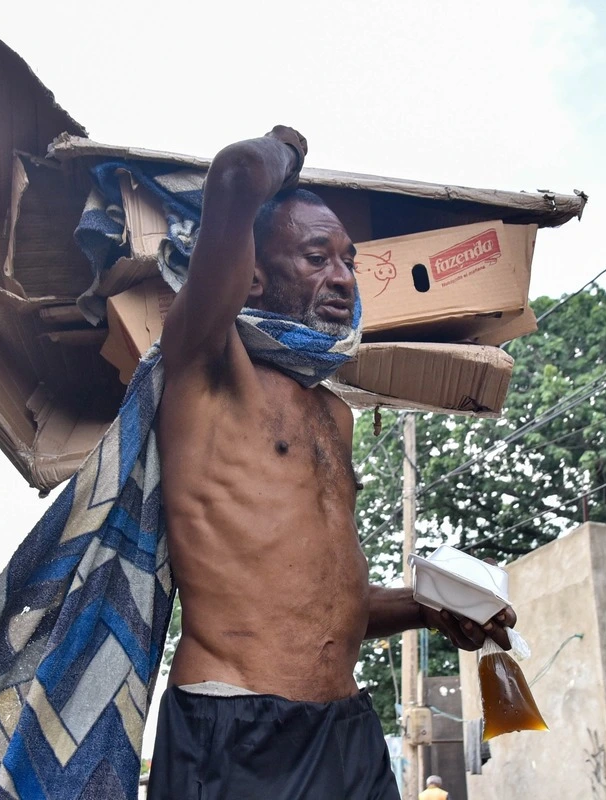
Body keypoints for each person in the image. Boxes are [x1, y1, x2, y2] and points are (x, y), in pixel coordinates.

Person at [147, 125, 516, 799]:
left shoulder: (334, 414)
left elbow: (324, 605)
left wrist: (433, 609)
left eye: (349, 260)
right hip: (237, 730)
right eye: (318, 256)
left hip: (346, 730)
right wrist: (289, 146)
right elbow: (234, 176)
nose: (343, 278)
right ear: (253, 274)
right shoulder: (208, 365)